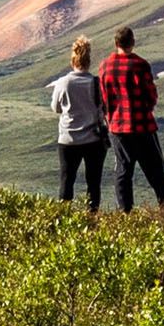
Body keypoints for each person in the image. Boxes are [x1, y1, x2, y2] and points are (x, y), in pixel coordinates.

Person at [98, 25, 164, 212]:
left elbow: (104, 99)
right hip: (142, 126)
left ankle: (126, 213)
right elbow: (151, 96)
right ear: (133, 42)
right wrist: (146, 108)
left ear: (116, 43)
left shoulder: (105, 67)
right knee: (156, 171)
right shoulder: (140, 65)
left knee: (123, 171)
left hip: (118, 127)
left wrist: (110, 117)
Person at [50, 34, 108, 212]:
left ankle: (64, 219)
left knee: (67, 181)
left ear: (72, 60)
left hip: (69, 140)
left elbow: (56, 108)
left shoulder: (64, 83)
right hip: (93, 140)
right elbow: (103, 108)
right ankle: (92, 219)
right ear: (88, 61)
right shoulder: (96, 83)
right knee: (93, 183)